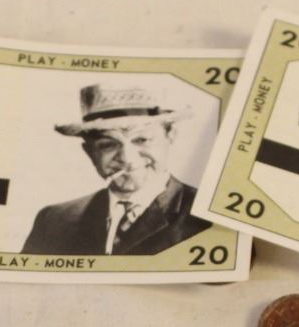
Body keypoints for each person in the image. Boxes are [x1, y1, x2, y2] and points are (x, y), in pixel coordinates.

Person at [21, 84, 212, 255]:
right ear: (89, 152)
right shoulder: (54, 220)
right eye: (108, 145)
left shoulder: (205, 216)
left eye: (142, 139)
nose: (127, 159)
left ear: (170, 136)